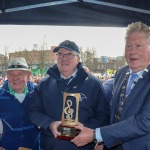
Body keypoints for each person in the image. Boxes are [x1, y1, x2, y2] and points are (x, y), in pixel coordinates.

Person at [71, 22, 150, 150]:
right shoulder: (120, 73)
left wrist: (97, 135)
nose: (132, 51)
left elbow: (144, 122)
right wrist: (104, 141)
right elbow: (116, 114)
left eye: (138, 45)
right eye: (128, 46)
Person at [28, 40, 110, 150]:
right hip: (52, 146)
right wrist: (50, 124)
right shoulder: (44, 84)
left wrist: (87, 128)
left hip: (84, 146)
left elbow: (104, 116)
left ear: (78, 59)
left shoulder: (94, 84)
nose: (64, 58)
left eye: (70, 54)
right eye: (60, 54)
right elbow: (34, 112)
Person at [0, 57, 41, 150]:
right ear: (7, 76)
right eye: (11, 74)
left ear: (28, 76)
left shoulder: (39, 94)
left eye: (20, 74)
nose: (15, 78)